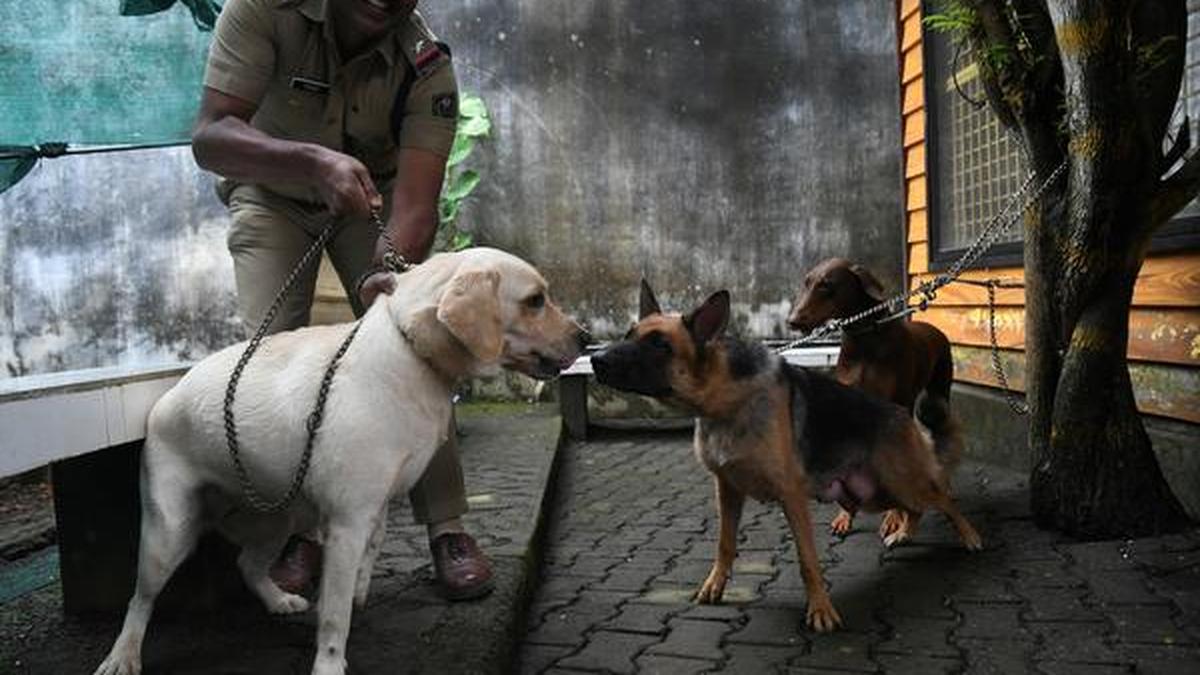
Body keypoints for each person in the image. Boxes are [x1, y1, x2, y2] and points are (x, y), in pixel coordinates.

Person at [191, 0, 493, 601]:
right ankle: (302, 533)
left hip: (371, 203)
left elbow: (416, 201)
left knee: (414, 347)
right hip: (272, 192)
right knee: (270, 364)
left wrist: (389, 279)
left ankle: (448, 527)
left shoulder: (426, 63)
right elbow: (211, 137)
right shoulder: (260, 10)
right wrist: (309, 160)